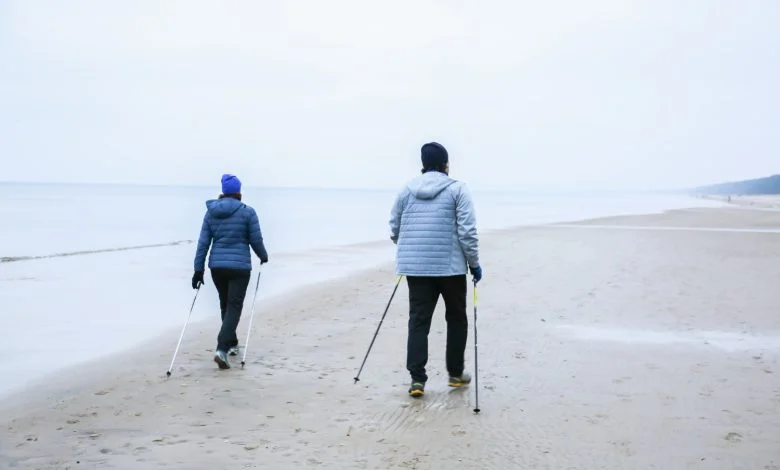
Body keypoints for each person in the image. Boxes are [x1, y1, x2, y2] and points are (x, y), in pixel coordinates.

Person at [389, 142, 482, 398]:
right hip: (450, 268)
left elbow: (395, 227)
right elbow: (467, 232)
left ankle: (417, 380)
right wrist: (474, 264)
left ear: (423, 164)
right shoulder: (457, 189)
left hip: (416, 269)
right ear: (446, 165)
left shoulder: (407, 190)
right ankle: (455, 374)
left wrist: (409, 248)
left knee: (418, 321)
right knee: (456, 318)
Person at [192, 174, 269, 370]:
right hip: (240, 267)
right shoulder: (248, 212)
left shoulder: (211, 213)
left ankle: (232, 343)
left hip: (217, 267)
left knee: (226, 305)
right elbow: (255, 240)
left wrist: (198, 270)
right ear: (238, 192)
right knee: (233, 307)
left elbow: (203, 244)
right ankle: (221, 349)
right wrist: (263, 255)